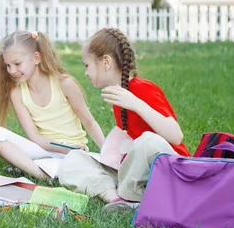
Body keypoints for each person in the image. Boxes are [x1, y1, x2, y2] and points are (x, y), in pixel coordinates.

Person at [58, 27, 191, 212]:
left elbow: (176, 136)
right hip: (139, 176)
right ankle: (118, 200)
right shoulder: (118, 96)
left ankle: (131, 195)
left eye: (87, 65)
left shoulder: (141, 89)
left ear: (106, 62)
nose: (86, 73)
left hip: (172, 172)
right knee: (73, 160)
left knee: (147, 141)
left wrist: (136, 103)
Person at [0, 30, 105, 180]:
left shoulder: (65, 84)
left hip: (73, 151)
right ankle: (42, 174)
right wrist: (60, 148)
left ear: (36, 58)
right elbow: (35, 137)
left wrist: (107, 153)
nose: (12, 71)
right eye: (8, 65)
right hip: (45, 149)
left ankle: (39, 167)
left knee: (77, 161)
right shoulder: (17, 93)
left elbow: (89, 122)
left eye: (17, 64)